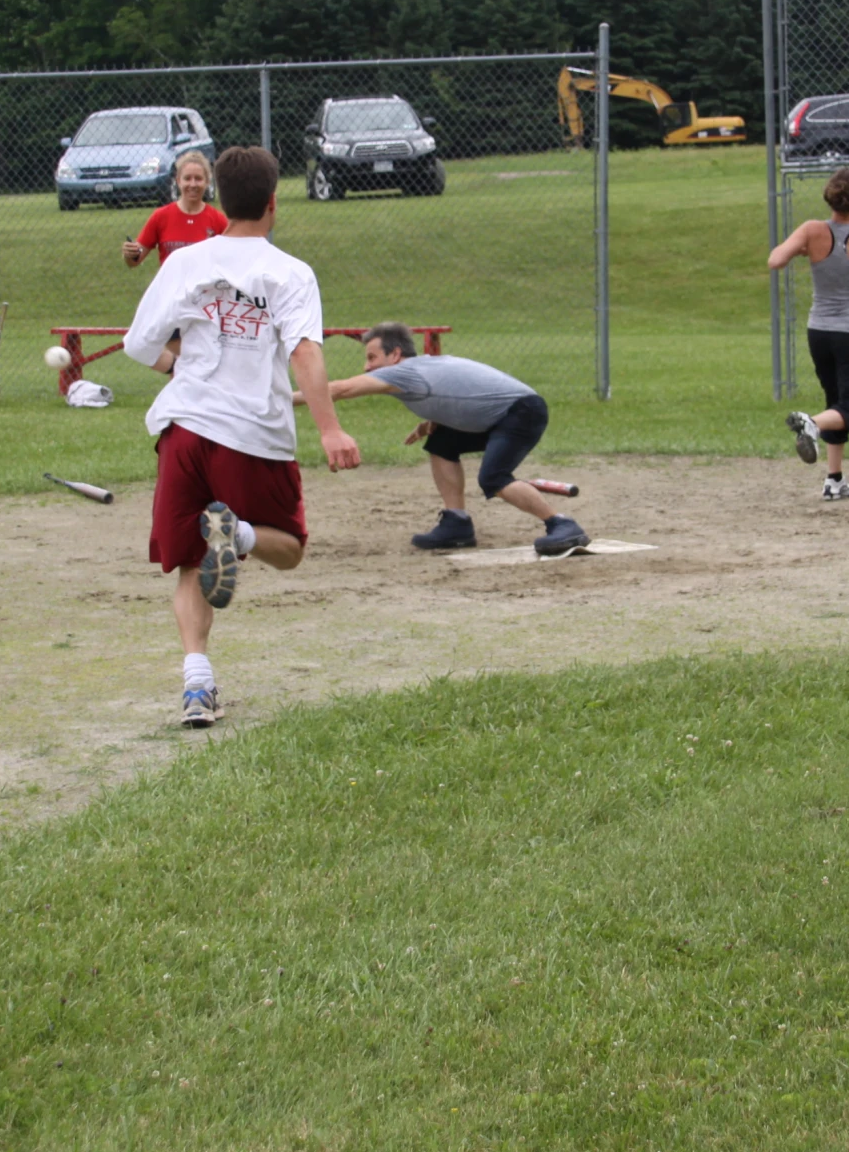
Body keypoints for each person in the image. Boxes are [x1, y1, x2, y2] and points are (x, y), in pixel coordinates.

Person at [122, 146, 360, 728]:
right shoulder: (290, 272)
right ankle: (244, 533)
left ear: (219, 200)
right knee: (289, 548)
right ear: (273, 202)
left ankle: (197, 686)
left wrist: (187, 368)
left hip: (184, 428)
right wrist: (329, 429)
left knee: (190, 562)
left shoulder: (185, 263)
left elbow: (138, 344)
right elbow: (303, 350)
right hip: (251, 433)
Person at [317, 324, 589, 556]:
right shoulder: (420, 365)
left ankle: (562, 525)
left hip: (521, 413)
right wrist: (433, 422)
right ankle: (456, 523)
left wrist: (281, 397)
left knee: (494, 477)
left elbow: (340, 389)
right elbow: (456, 392)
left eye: (372, 357)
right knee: (442, 443)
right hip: (505, 413)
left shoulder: (404, 371)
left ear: (396, 354)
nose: (367, 366)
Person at [767, 166, 849, 498]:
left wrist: (804, 249)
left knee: (836, 403)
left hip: (818, 331)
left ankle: (834, 480)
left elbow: (775, 260)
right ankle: (812, 424)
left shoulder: (811, 229)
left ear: (830, 198)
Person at [122, 150, 227, 268]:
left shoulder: (218, 220)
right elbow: (135, 261)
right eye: (187, 178)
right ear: (178, 181)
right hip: (170, 286)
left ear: (207, 182)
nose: (192, 184)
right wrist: (130, 254)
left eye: (198, 179)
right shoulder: (161, 216)